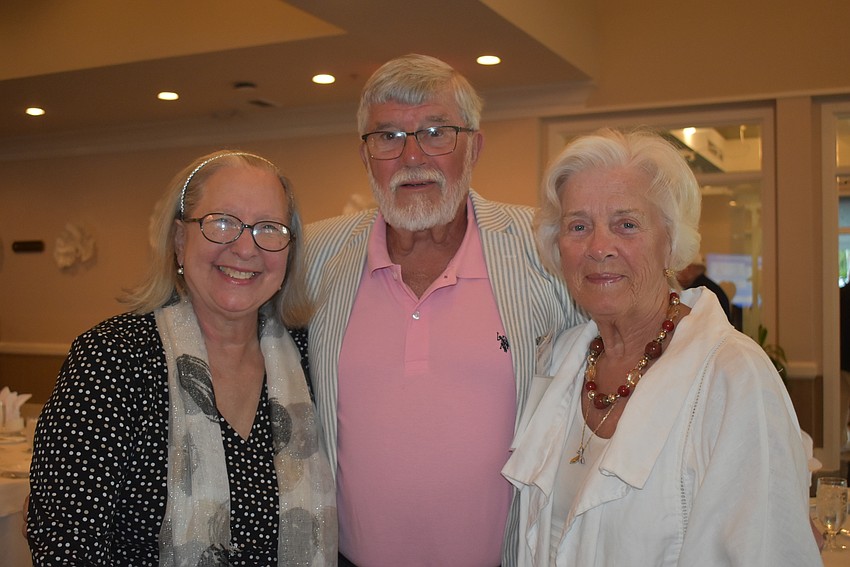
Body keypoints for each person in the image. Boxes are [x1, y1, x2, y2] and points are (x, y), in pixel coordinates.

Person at [304, 54, 582, 567]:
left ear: (473, 147)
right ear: (365, 156)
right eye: (388, 136)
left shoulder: (542, 249)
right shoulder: (317, 254)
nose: (413, 156)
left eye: (437, 133)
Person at [501, 129, 821, 566]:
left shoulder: (734, 376)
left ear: (670, 242)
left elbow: (768, 551)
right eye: (578, 226)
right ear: (557, 247)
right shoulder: (559, 361)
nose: (598, 248)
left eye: (626, 224)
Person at [27, 151, 337, 565]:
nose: (246, 248)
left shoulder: (309, 358)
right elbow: (66, 543)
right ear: (178, 240)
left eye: (268, 228)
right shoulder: (113, 358)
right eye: (221, 223)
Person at [676, 254, 734, 323]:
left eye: (678, 269)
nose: (676, 275)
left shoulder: (700, 291)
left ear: (688, 268)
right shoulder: (710, 287)